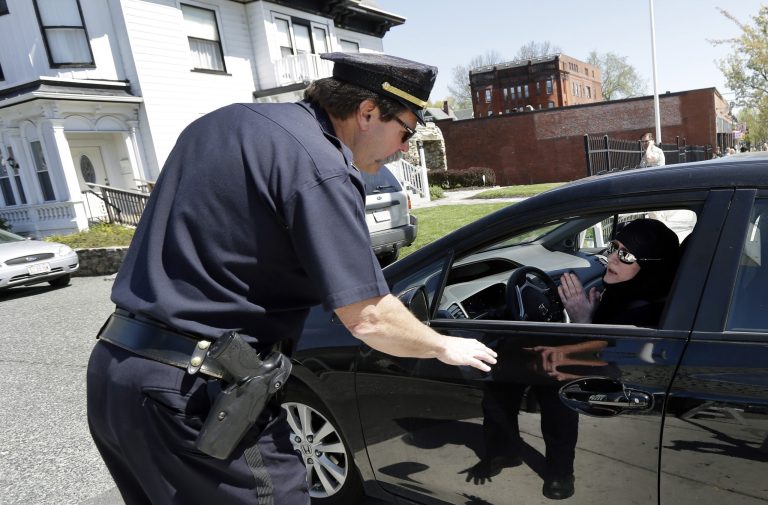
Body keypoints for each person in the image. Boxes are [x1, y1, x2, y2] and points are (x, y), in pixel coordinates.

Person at [86, 52, 497, 505]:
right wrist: (443, 344)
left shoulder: (224, 122)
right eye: (407, 129)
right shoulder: (320, 164)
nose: (404, 147)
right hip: (197, 396)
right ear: (366, 112)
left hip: (116, 374)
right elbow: (370, 318)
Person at [558, 218, 680, 326]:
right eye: (613, 247)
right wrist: (595, 313)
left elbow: (601, 351)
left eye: (626, 255)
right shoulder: (618, 296)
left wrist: (583, 321)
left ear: (650, 268)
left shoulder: (646, 319)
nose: (610, 258)